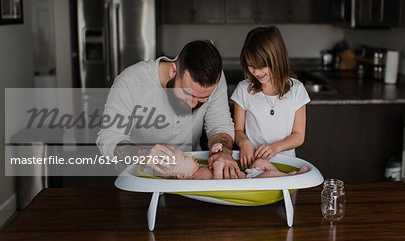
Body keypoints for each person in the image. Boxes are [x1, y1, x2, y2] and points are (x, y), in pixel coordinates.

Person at [97, 40, 244, 179]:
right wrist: (143, 154)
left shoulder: (214, 81)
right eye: (187, 94)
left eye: (202, 98)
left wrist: (223, 151)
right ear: (173, 70)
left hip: (189, 177)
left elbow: (220, 126)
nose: (193, 104)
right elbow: (108, 138)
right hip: (137, 178)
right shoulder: (131, 82)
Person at [231, 26, 310, 168]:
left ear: (276, 59)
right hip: (252, 165)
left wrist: (276, 147)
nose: (256, 71)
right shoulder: (243, 89)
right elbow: (238, 131)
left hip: (286, 164)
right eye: (250, 65)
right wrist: (244, 143)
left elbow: (298, 135)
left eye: (261, 66)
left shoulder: (297, 90)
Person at [154, 145, 309, 180]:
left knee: (260, 162)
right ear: (182, 175)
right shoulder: (198, 178)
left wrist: (216, 150)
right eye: (186, 158)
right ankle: (291, 177)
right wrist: (218, 167)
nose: (190, 155)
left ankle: (286, 175)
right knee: (269, 174)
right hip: (249, 183)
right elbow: (216, 188)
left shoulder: (197, 170)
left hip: (247, 174)